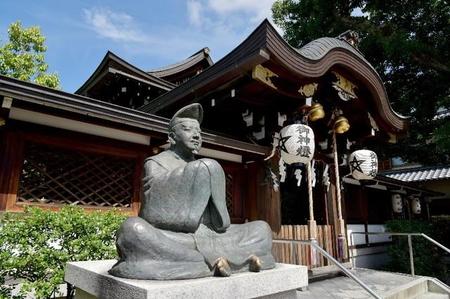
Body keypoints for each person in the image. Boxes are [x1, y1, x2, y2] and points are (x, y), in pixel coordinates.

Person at [109, 104, 275, 280]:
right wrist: (195, 174)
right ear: (172, 137)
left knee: (261, 229)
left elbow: (221, 223)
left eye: (199, 132)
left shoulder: (204, 166)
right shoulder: (155, 163)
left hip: (212, 235)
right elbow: (151, 213)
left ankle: (199, 263)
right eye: (188, 130)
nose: (196, 135)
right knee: (132, 229)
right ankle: (234, 260)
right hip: (177, 237)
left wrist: (205, 177)